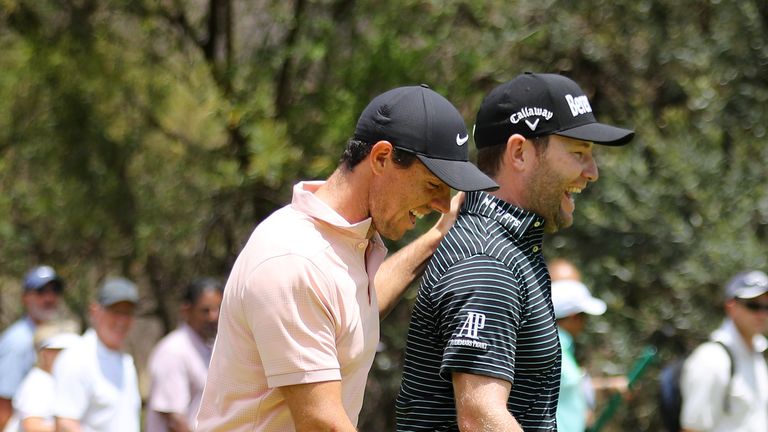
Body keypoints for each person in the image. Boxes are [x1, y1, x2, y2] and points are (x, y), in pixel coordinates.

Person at [196, 84, 498, 431]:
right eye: (433, 186)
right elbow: (322, 422)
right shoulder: (294, 258)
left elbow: (349, 311)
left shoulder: (341, 245)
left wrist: (435, 239)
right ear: (382, 158)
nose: (442, 205)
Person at [396, 72, 634, 431]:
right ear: (519, 152)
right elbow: (480, 418)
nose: (592, 172)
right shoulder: (489, 263)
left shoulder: (509, 248)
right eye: (578, 152)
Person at [679, 270, 768, 431]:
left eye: (767, 306)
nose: (762, 314)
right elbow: (693, 429)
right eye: (753, 305)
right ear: (731, 307)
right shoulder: (711, 359)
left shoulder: (757, 354)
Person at [52, 277, 142, 432]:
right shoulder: (77, 358)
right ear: (95, 311)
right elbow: (65, 424)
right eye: (116, 311)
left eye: (128, 313)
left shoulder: (125, 362)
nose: (122, 320)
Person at [146, 277, 224, 432]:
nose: (213, 317)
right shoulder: (173, 351)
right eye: (205, 310)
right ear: (186, 311)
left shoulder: (209, 348)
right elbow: (174, 420)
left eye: (218, 309)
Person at [0, 266, 64, 431]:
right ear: (25, 298)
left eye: (54, 290)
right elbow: (3, 408)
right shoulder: (18, 341)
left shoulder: (55, 337)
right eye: (41, 291)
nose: (49, 297)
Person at [11, 319, 80, 432]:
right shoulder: (38, 383)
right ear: (45, 353)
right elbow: (32, 426)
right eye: (61, 351)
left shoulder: (57, 380)